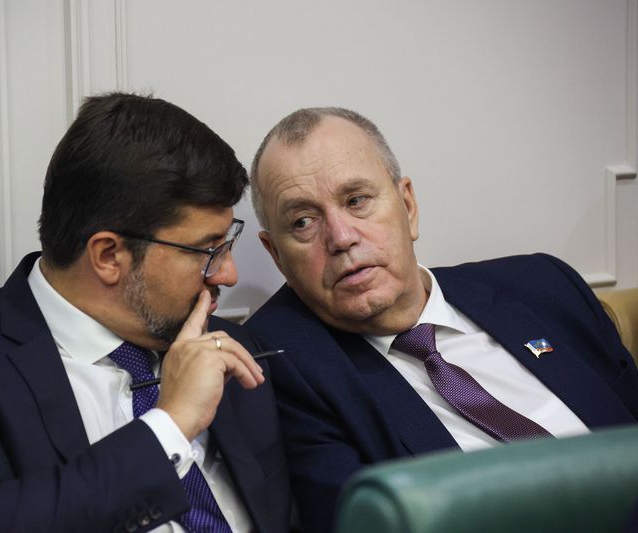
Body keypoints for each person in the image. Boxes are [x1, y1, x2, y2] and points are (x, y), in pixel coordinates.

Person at [0, 93, 291, 532]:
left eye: (226, 245)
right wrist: (171, 425)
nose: (229, 274)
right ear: (108, 256)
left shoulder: (229, 351)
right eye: (207, 251)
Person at [245, 106, 638, 533]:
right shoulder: (281, 367)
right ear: (276, 255)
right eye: (303, 222)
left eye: (356, 201)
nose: (341, 238)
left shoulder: (544, 285)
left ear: (408, 205)